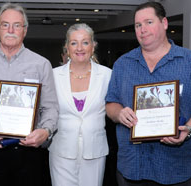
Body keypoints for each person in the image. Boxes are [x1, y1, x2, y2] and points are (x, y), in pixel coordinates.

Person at [0, 3, 58, 186]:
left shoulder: (41, 64)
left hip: (30, 151)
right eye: (5, 24)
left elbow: (51, 107)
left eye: (17, 25)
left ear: (24, 30)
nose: (10, 30)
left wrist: (45, 131)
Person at [105, 2, 191, 186]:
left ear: (165, 23)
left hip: (176, 168)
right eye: (138, 25)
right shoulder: (122, 64)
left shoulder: (188, 61)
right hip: (132, 167)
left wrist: (188, 129)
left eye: (149, 22)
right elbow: (111, 103)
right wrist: (119, 113)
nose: (142, 29)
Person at [48, 23, 111, 186]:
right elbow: (45, 110)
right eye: (74, 43)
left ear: (93, 46)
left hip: (95, 151)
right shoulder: (53, 76)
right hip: (61, 150)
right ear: (67, 48)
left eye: (85, 42)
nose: (79, 48)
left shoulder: (107, 75)